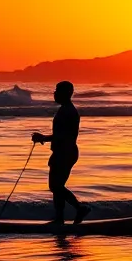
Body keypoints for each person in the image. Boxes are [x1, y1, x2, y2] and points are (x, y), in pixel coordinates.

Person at [31, 81, 91, 225]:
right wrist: (44, 138)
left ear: (67, 93)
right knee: (56, 187)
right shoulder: (65, 109)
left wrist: (43, 137)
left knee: (56, 186)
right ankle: (59, 219)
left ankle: (79, 208)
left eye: (58, 90)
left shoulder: (68, 111)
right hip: (62, 152)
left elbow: (64, 135)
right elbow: (60, 134)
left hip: (66, 153)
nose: (54, 93)